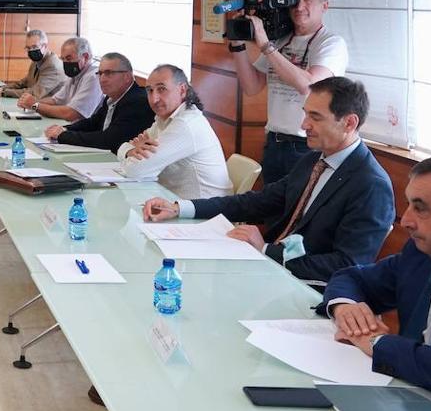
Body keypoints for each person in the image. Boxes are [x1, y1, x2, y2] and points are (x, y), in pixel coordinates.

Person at [142, 76, 393, 286]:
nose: (304, 125)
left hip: (307, 288)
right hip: (270, 269)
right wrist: (180, 207)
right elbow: (258, 202)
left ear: (349, 122)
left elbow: (347, 264)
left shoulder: (370, 184)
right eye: (305, 114)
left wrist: (266, 251)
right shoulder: (313, 160)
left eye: (315, 117)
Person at [321, 152, 431, 399]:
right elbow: (352, 277)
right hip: (402, 395)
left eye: (420, 208)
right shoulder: (420, 253)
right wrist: (347, 309)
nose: (405, 220)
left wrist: (378, 343)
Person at [229, 0, 348, 184]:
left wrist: (266, 46)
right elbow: (252, 86)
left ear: (325, 5)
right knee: (273, 213)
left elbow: (308, 85)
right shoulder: (282, 40)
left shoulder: (331, 44)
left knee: (300, 213)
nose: (299, 6)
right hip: (274, 142)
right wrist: (237, 45)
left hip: (308, 146)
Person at [118, 65, 232, 199]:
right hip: (173, 204)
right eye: (150, 90)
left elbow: (135, 171)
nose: (154, 99)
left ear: (182, 90)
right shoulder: (164, 119)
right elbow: (125, 149)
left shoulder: (186, 124)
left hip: (203, 214)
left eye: (162, 89)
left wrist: (131, 155)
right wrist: (129, 151)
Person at [43, 52, 151, 151]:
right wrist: (64, 129)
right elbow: (93, 123)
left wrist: (63, 135)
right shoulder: (112, 98)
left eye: (109, 73)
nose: (102, 79)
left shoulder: (137, 101)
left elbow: (108, 140)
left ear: (127, 77)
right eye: (100, 73)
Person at [18, 36, 102, 121]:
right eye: (63, 59)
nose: (65, 63)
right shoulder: (75, 75)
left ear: (85, 57)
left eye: (69, 58)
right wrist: (29, 103)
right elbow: (55, 100)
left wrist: (35, 105)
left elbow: (72, 114)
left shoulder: (94, 77)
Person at [0, 29, 64, 100]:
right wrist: (0, 88)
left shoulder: (53, 66)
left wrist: (3, 92)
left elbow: (35, 93)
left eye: (34, 47)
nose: (31, 51)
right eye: (28, 48)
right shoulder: (36, 61)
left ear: (45, 46)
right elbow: (23, 83)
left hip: (51, 110)